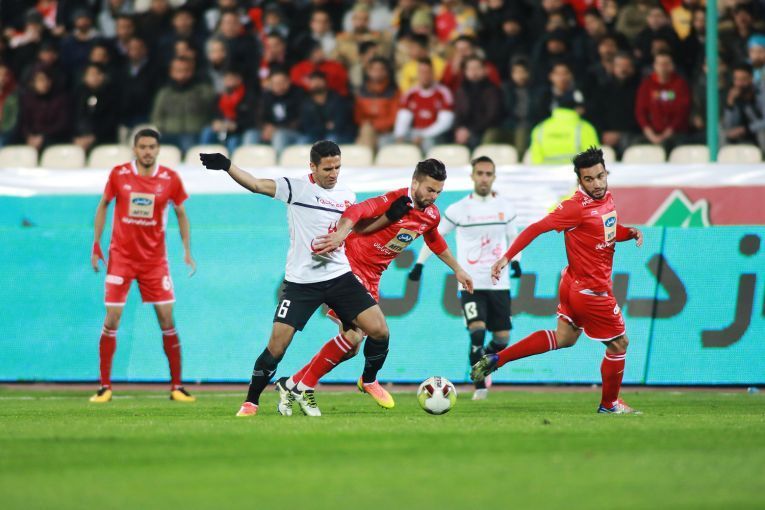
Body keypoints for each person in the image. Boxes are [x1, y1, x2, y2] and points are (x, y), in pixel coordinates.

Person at [198, 141, 392, 418]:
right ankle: (251, 402)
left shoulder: (347, 194)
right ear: (312, 166)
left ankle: (369, 380)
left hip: (339, 277)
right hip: (302, 283)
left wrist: (389, 218)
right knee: (276, 347)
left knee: (380, 330)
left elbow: (358, 228)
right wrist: (228, 166)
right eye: (327, 169)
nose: (334, 174)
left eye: (337, 167)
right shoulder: (296, 188)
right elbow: (256, 184)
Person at [279, 158, 474, 415]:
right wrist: (341, 234)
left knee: (351, 347)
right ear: (415, 183)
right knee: (354, 336)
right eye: (429, 190)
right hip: (348, 268)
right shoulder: (393, 200)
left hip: (373, 277)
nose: (433, 196)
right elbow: (356, 211)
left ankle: (291, 383)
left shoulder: (431, 215)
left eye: (438, 192)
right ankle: (310, 387)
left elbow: (434, 239)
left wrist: (458, 269)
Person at [472, 147, 644, 414]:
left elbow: (606, 231)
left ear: (606, 173)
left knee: (564, 337)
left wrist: (628, 233)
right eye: (589, 179)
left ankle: (498, 358)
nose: (597, 184)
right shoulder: (574, 208)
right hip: (591, 291)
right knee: (619, 344)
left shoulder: (606, 199)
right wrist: (506, 257)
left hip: (572, 284)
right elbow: (535, 228)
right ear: (580, 180)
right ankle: (609, 405)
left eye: (600, 177)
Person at [89, 128, 196, 404]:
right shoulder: (119, 174)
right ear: (134, 149)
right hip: (121, 259)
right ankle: (104, 387)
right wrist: (96, 243)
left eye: (152, 147)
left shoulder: (170, 178)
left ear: (158, 149)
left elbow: (181, 213)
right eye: (143, 147)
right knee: (112, 319)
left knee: (167, 319)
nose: (147, 151)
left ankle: (176, 387)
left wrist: (186, 250)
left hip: (154, 262)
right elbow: (103, 205)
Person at [410, 156, 520, 400]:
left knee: (502, 338)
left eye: (488, 174)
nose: (484, 178)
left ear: (494, 177)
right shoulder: (458, 209)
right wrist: (419, 264)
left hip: (498, 283)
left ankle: (486, 361)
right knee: (477, 332)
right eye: (480, 173)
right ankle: (480, 387)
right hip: (470, 283)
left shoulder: (506, 207)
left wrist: (516, 261)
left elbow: (514, 238)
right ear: (472, 176)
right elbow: (433, 237)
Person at [393, 58, 454, 153]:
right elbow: (403, 117)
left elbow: (445, 123)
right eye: (422, 72)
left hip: (435, 136)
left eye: (427, 72)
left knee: (428, 142)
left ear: (433, 73)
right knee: (389, 142)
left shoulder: (443, 93)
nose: (424, 76)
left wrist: (423, 135)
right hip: (414, 134)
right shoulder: (410, 94)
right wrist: (400, 135)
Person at [529, 95, 599, 165]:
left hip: (546, 171)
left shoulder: (539, 128)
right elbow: (593, 161)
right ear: (577, 108)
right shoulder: (586, 128)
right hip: (575, 171)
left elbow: (536, 160)